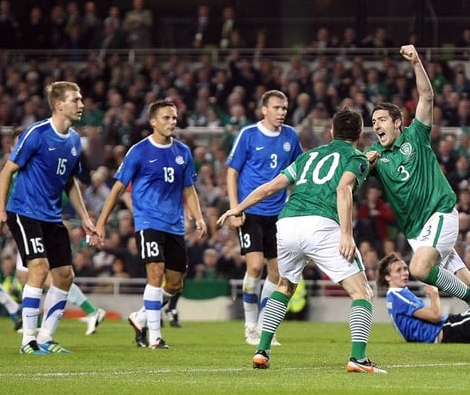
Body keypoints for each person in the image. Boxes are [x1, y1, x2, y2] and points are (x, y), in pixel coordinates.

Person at [366, 45, 470, 366]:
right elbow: (352, 176)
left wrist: (417, 62)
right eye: (373, 121)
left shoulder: (415, 135)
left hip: (441, 214)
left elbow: (427, 97)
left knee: (419, 269)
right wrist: (363, 162)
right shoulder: (375, 156)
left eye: (382, 119)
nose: (376, 125)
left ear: (398, 122)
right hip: (419, 234)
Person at [217, 108, 385, 374]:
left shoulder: (309, 156)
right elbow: (343, 188)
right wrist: (346, 233)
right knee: (362, 292)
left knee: (284, 286)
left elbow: (271, 186)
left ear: (332, 132)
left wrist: (238, 207)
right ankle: (358, 358)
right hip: (322, 225)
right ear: (359, 135)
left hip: (287, 223)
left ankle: (262, 350)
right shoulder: (355, 157)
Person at [93, 100, 207, 350]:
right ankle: (155, 336)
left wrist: (198, 216)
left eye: (174, 117)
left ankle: (141, 317)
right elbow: (118, 188)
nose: (172, 122)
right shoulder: (139, 151)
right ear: (153, 121)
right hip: (148, 222)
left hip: (174, 224)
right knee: (155, 273)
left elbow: (189, 189)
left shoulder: (183, 152)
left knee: (175, 284)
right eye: (166, 117)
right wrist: (101, 223)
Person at [0, 81, 98, 354]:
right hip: (24, 211)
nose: (81, 105)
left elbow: (70, 182)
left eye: (81, 99)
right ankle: (27, 341)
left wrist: (85, 217)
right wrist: (0, 211)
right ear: (59, 105)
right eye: (76, 100)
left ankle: (45, 338)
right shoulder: (36, 133)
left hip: (52, 216)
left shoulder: (74, 140)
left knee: (65, 275)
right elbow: (6, 172)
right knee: (39, 268)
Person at [226, 90, 302, 346]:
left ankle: (263, 325)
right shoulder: (248, 134)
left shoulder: (291, 136)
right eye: (277, 107)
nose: (282, 112)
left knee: (277, 273)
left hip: (279, 214)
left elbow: (298, 171)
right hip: (251, 212)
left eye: (285, 108)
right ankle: (250, 326)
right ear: (264, 110)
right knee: (255, 267)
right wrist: (235, 208)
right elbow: (232, 172)